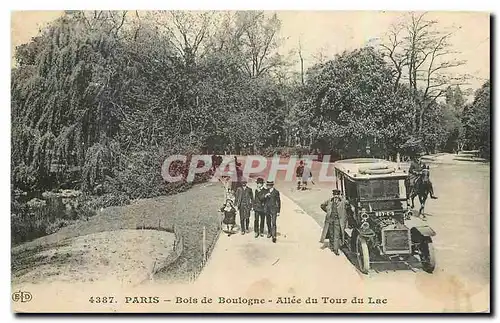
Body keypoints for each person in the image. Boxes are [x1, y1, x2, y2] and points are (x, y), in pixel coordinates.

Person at [320, 189, 342, 255]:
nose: (336, 196)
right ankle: (332, 246)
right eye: (335, 195)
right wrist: (327, 211)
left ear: (339, 195)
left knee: (336, 234)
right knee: (331, 233)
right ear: (333, 195)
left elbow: (347, 205)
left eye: (337, 195)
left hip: (337, 220)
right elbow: (322, 205)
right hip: (330, 219)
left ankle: (336, 249)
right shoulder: (329, 200)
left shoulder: (342, 201)